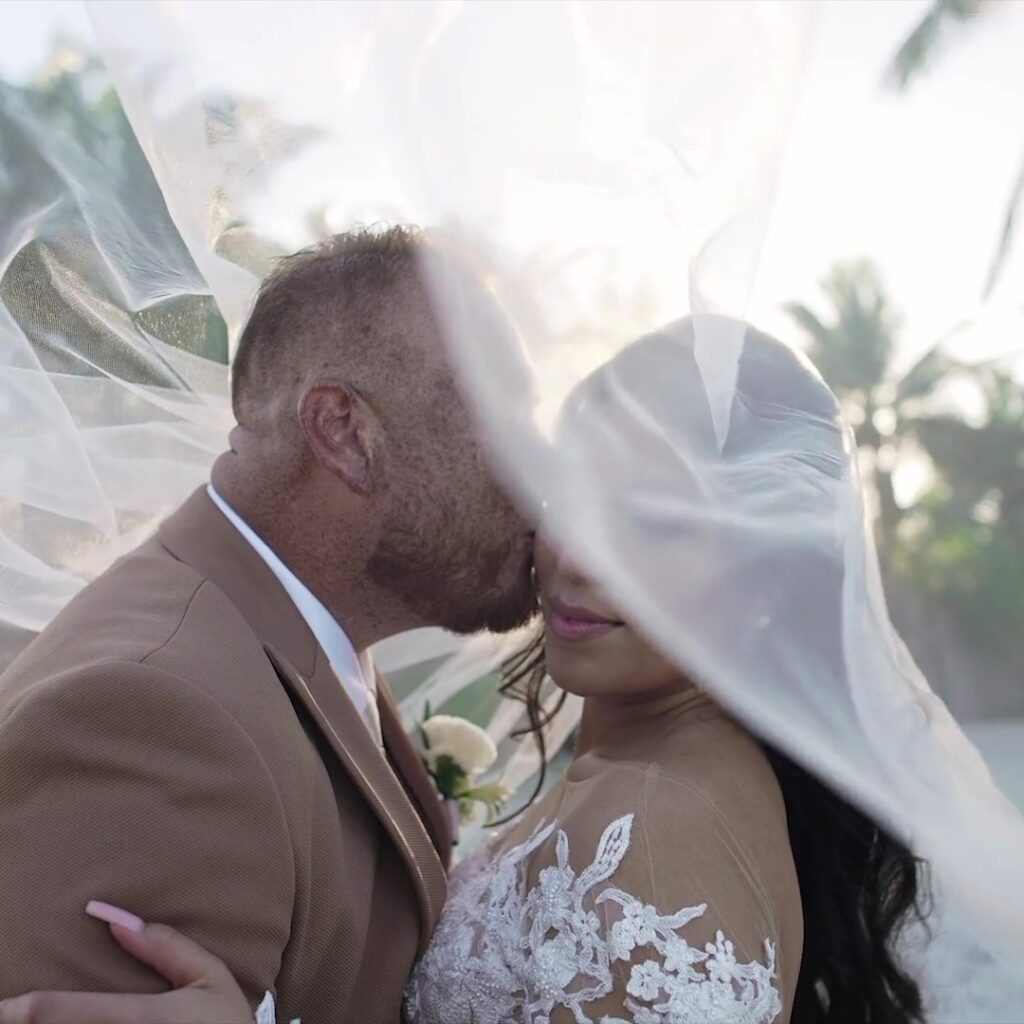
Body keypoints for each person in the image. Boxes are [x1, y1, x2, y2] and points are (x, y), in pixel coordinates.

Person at [0, 321, 931, 1024]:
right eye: (580, 493)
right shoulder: (637, 772)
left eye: (657, 525)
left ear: (770, 581)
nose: (583, 559)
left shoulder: (651, 833)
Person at [0, 225, 537, 1024]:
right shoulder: (155, 717)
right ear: (344, 434)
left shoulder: (295, 634)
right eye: (501, 414)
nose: (540, 469)